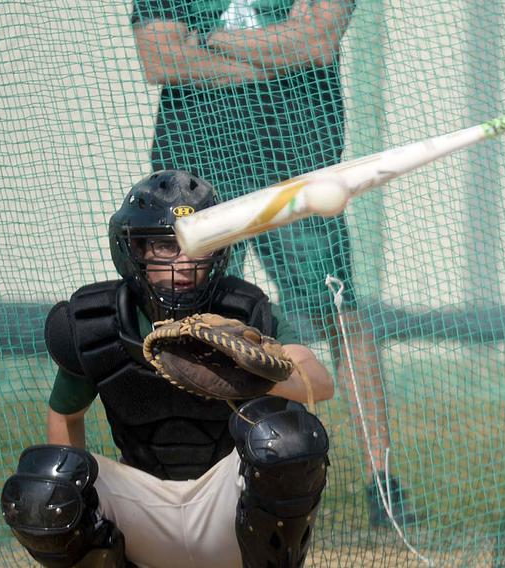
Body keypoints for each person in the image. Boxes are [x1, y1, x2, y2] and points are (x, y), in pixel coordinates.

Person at [130, 0, 414, 527]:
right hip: (197, 176)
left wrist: (207, 41)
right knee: (178, 318)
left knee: (339, 311)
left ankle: (384, 483)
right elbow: (160, 61)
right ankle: (179, 474)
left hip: (296, 169)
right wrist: (272, 55)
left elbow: (315, 43)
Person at [0, 170, 335, 568]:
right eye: (164, 247)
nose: (183, 263)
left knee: (288, 437)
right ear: (135, 250)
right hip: (142, 503)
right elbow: (65, 414)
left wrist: (254, 373)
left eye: (197, 247)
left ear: (217, 252)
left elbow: (319, 382)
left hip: (225, 505)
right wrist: (77, 503)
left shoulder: (244, 312)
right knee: (46, 483)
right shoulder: (96, 323)